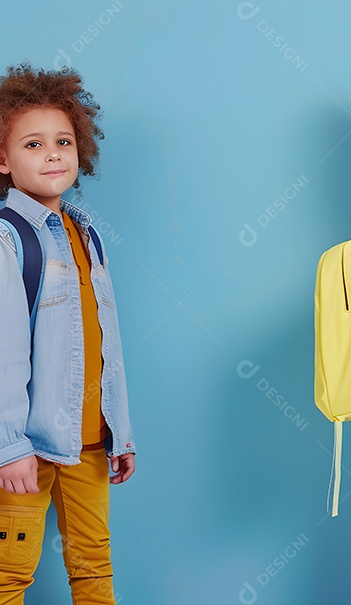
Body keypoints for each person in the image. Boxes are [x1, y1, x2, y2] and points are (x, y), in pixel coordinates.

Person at [0, 64, 135, 605]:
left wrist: (117, 430)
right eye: (34, 144)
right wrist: (9, 447)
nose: (53, 153)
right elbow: (4, 354)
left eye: (64, 141)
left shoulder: (87, 233)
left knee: (94, 566)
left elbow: (107, 346)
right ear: (4, 160)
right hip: (28, 445)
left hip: (88, 444)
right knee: (10, 573)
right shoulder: (11, 241)